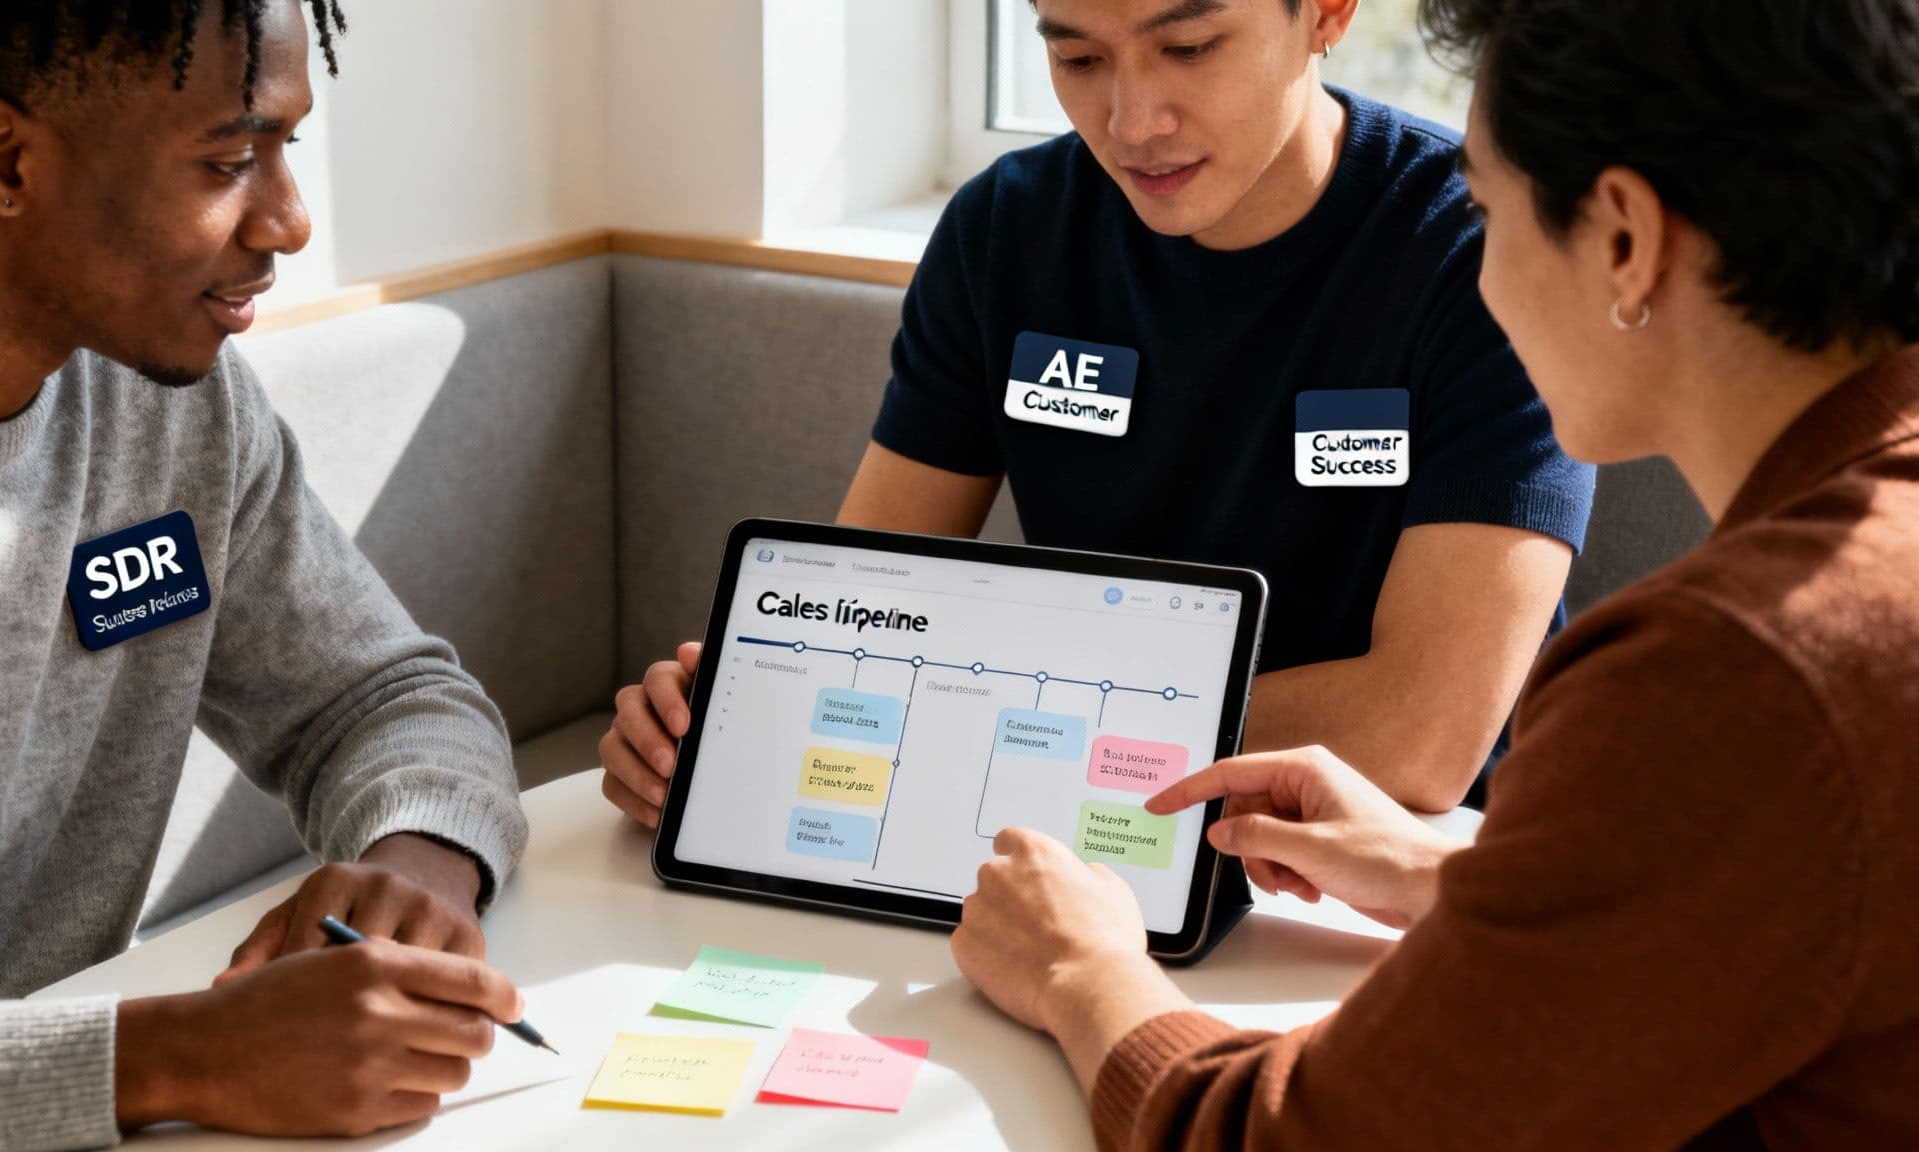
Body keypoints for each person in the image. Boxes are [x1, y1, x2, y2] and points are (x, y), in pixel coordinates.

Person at [950, 0, 1919, 1146]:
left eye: (1483, 209)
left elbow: (1297, 1138)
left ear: (1622, 238)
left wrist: (1079, 972)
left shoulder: (1728, 672)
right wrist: (1480, 870)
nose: (1474, 262)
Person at [599, 0, 1596, 828]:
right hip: (1076, 819)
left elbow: (1416, 737)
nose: (1130, 120)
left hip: (1386, 861)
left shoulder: (1478, 247)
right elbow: (864, 607)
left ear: (1325, 12)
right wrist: (734, 711)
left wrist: (991, 710)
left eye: (1189, 47)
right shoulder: (1004, 231)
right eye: (1076, 55)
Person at [0, 4, 533, 1146]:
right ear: (2, 159)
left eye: (284, 149)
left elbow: (383, 698)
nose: (287, 219)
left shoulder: (170, 405)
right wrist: (181, 1057)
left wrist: (415, 867)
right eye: (230, 161)